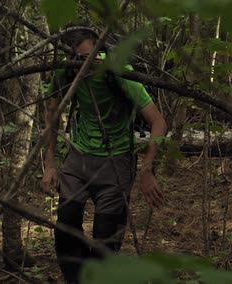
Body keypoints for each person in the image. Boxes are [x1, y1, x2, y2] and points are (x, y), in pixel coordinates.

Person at [42, 28, 167, 283]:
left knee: (105, 243)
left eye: (93, 56)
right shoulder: (66, 71)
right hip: (79, 158)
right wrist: (50, 163)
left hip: (116, 162)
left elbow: (158, 122)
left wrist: (147, 169)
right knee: (65, 227)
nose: (87, 65)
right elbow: (52, 115)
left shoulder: (119, 72)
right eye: (79, 59)